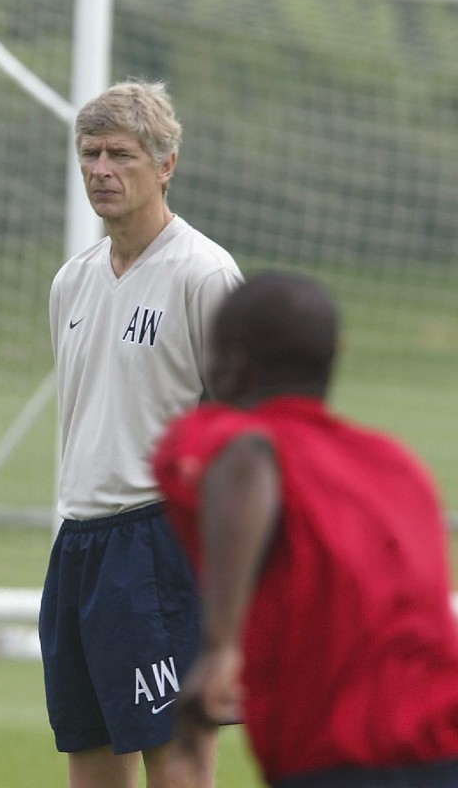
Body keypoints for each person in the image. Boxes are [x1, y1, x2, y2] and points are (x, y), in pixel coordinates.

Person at [153, 271, 458, 788]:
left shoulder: (222, 440)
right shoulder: (397, 464)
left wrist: (219, 644)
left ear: (233, 366)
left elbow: (245, 462)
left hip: (334, 762)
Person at [40, 79, 243, 788]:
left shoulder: (204, 274)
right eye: (89, 153)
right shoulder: (72, 281)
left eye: (119, 154)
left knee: (177, 766)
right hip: (79, 543)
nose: (100, 169)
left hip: (159, 545)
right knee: (90, 761)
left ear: (166, 164)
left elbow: (240, 438)